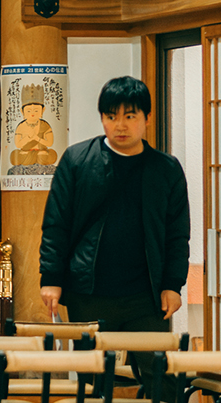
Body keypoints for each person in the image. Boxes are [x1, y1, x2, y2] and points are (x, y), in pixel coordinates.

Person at [39, 76, 191, 382]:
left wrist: (173, 284)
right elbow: (57, 224)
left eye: (130, 116)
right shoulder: (78, 161)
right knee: (93, 378)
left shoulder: (166, 169)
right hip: (89, 292)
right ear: (103, 119)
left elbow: (178, 234)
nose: (120, 125)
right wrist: (51, 278)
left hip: (147, 296)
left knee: (159, 375)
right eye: (111, 117)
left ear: (147, 118)